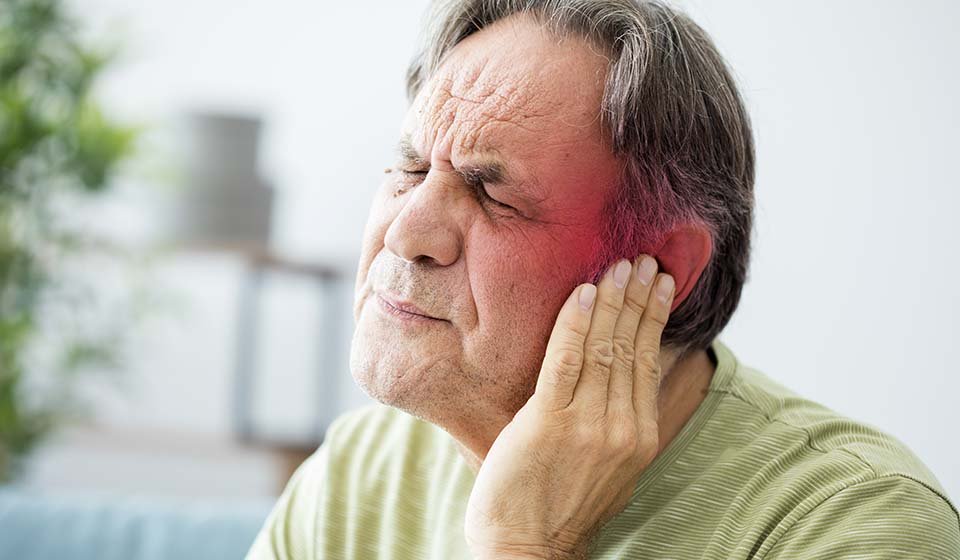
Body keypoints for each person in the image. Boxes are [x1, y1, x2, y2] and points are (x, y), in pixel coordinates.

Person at [247, 1, 960, 558]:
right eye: (409, 168)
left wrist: (529, 547)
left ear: (659, 269)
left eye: (493, 195)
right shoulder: (363, 472)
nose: (406, 233)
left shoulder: (853, 523)